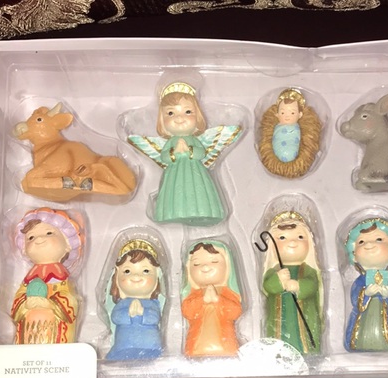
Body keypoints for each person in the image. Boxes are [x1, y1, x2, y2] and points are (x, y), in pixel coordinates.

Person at [129, 82, 242, 226]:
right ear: (162, 120)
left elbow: (201, 153)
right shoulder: (171, 141)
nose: (179, 118)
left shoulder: (193, 140)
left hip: (195, 170)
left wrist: (190, 151)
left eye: (188, 112)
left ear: (198, 116)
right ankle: (172, 213)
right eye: (171, 113)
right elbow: (164, 157)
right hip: (174, 173)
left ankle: (203, 211)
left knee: (198, 190)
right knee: (174, 192)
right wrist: (173, 153)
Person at [12, 207, 83, 344]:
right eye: (31, 237)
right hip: (28, 334)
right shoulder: (28, 281)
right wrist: (25, 303)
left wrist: (50, 304)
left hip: (55, 334)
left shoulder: (62, 279)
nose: (39, 239)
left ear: (68, 245)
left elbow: (71, 301)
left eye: (49, 233)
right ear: (25, 250)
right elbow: (16, 305)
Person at [261, 211, 323, 355]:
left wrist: (298, 286)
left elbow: (312, 285)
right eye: (282, 238)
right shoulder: (273, 271)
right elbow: (268, 286)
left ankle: (306, 350)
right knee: (280, 334)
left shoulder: (308, 271)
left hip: (305, 316)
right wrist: (279, 280)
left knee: (304, 335)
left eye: (300, 237)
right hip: (279, 319)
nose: (293, 242)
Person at [344, 218, 388, 352]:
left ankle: (385, 344)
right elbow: (354, 296)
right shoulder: (360, 280)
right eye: (361, 242)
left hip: (384, 317)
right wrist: (366, 293)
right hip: (364, 318)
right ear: (354, 255)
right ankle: (362, 343)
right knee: (362, 332)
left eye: (379, 239)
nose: (369, 244)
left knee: (386, 335)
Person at [106, 239, 164, 361]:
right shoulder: (122, 304)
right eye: (127, 271)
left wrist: (143, 312)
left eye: (146, 271)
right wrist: (129, 313)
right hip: (124, 344)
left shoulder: (152, 304)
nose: (136, 276)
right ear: (117, 278)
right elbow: (115, 317)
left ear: (156, 277)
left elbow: (155, 318)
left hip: (150, 344)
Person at [182, 240, 242, 356]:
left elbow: (235, 312)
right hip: (196, 347)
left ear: (227, 265)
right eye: (196, 264)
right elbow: (187, 311)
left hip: (226, 347)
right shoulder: (194, 294)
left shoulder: (227, 293)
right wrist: (202, 300)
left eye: (214, 261)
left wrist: (219, 300)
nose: (205, 267)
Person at [258, 88, 322, 178]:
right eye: (282, 113)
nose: (287, 116)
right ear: (277, 114)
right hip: (276, 156)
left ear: (300, 115)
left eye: (292, 113)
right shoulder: (275, 126)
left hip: (295, 154)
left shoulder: (299, 127)